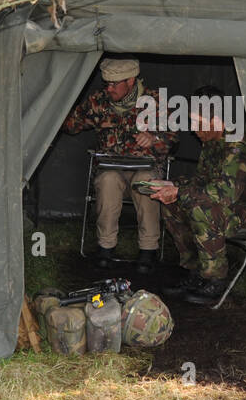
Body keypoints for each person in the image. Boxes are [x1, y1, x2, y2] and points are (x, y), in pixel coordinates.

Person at [150, 85, 246, 306]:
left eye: (196, 121)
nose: (192, 128)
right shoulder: (211, 143)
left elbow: (226, 195)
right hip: (227, 206)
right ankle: (196, 270)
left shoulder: (238, 144)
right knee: (174, 200)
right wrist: (172, 187)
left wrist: (180, 191)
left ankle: (215, 279)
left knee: (200, 206)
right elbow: (201, 183)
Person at [63, 57, 176, 273]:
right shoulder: (100, 101)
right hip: (111, 167)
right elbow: (70, 124)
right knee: (107, 180)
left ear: (131, 81)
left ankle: (148, 249)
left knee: (147, 181)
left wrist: (155, 138)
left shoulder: (155, 102)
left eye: (115, 84)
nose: (109, 88)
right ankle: (105, 246)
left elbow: (173, 138)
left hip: (144, 166)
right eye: (107, 83)